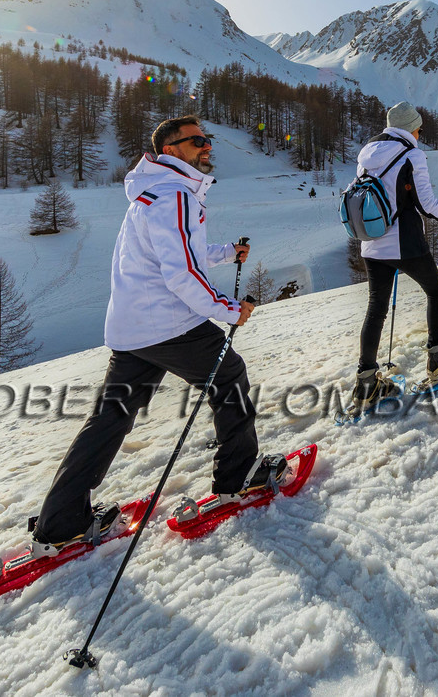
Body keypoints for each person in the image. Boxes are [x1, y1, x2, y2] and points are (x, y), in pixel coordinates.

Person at [29, 115, 284, 552]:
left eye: (207, 139)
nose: (207, 146)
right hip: (168, 323)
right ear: (170, 150)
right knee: (229, 376)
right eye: (197, 140)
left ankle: (62, 521)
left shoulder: (155, 191)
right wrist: (228, 309)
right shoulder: (175, 195)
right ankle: (238, 476)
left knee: (110, 417)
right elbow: (181, 272)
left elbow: (177, 252)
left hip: (133, 328)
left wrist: (225, 253)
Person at [352, 101, 438, 409]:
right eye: (419, 128)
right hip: (403, 241)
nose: (420, 134)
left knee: (376, 307)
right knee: (436, 290)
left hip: (371, 241)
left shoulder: (367, 153)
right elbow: (426, 205)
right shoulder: (411, 154)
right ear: (412, 128)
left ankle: (366, 383)